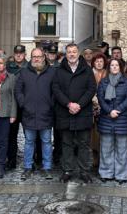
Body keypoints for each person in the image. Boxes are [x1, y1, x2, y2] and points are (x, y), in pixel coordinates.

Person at [53, 43, 97, 183]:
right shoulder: (59, 70)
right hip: (65, 111)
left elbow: (91, 89)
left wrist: (79, 104)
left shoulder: (87, 69)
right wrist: (68, 104)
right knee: (67, 143)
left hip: (82, 112)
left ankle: (84, 170)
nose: (71, 54)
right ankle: (68, 170)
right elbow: (56, 89)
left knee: (84, 143)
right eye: (69, 52)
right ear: (66, 54)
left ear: (78, 54)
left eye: (74, 52)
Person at [15, 48, 56, 180]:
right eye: (34, 57)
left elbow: (56, 91)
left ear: (44, 57)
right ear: (31, 58)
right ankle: (27, 167)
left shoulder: (52, 72)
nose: (36, 59)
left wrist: (51, 105)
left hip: (46, 114)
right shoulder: (24, 72)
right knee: (29, 142)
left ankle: (47, 168)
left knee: (46, 142)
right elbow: (18, 90)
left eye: (39, 56)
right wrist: (24, 104)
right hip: (29, 113)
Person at [97, 59, 127, 184]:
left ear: (120, 67)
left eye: (116, 65)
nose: (114, 67)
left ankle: (121, 175)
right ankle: (106, 173)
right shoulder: (103, 82)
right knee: (106, 149)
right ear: (109, 68)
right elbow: (100, 98)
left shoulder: (126, 82)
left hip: (122, 119)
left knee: (122, 149)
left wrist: (117, 110)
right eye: (112, 65)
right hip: (106, 119)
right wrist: (109, 111)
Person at [6, 45, 28, 170]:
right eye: (16, 53)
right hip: (12, 105)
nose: (19, 55)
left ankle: (30, 161)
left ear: (25, 54)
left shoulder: (30, 67)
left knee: (29, 136)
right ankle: (11, 160)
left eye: (21, 53)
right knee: (11, 135)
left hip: (25, 106)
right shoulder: (8, 67)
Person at [90, 52, 108, 169]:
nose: (99, 63)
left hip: (105, 107)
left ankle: (104, 159)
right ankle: (95, 157)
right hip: (92, 107)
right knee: (94, 135)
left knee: (104, 134)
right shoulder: (89, 73)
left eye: (101, 61)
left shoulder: (108, 74)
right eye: (97, 61)